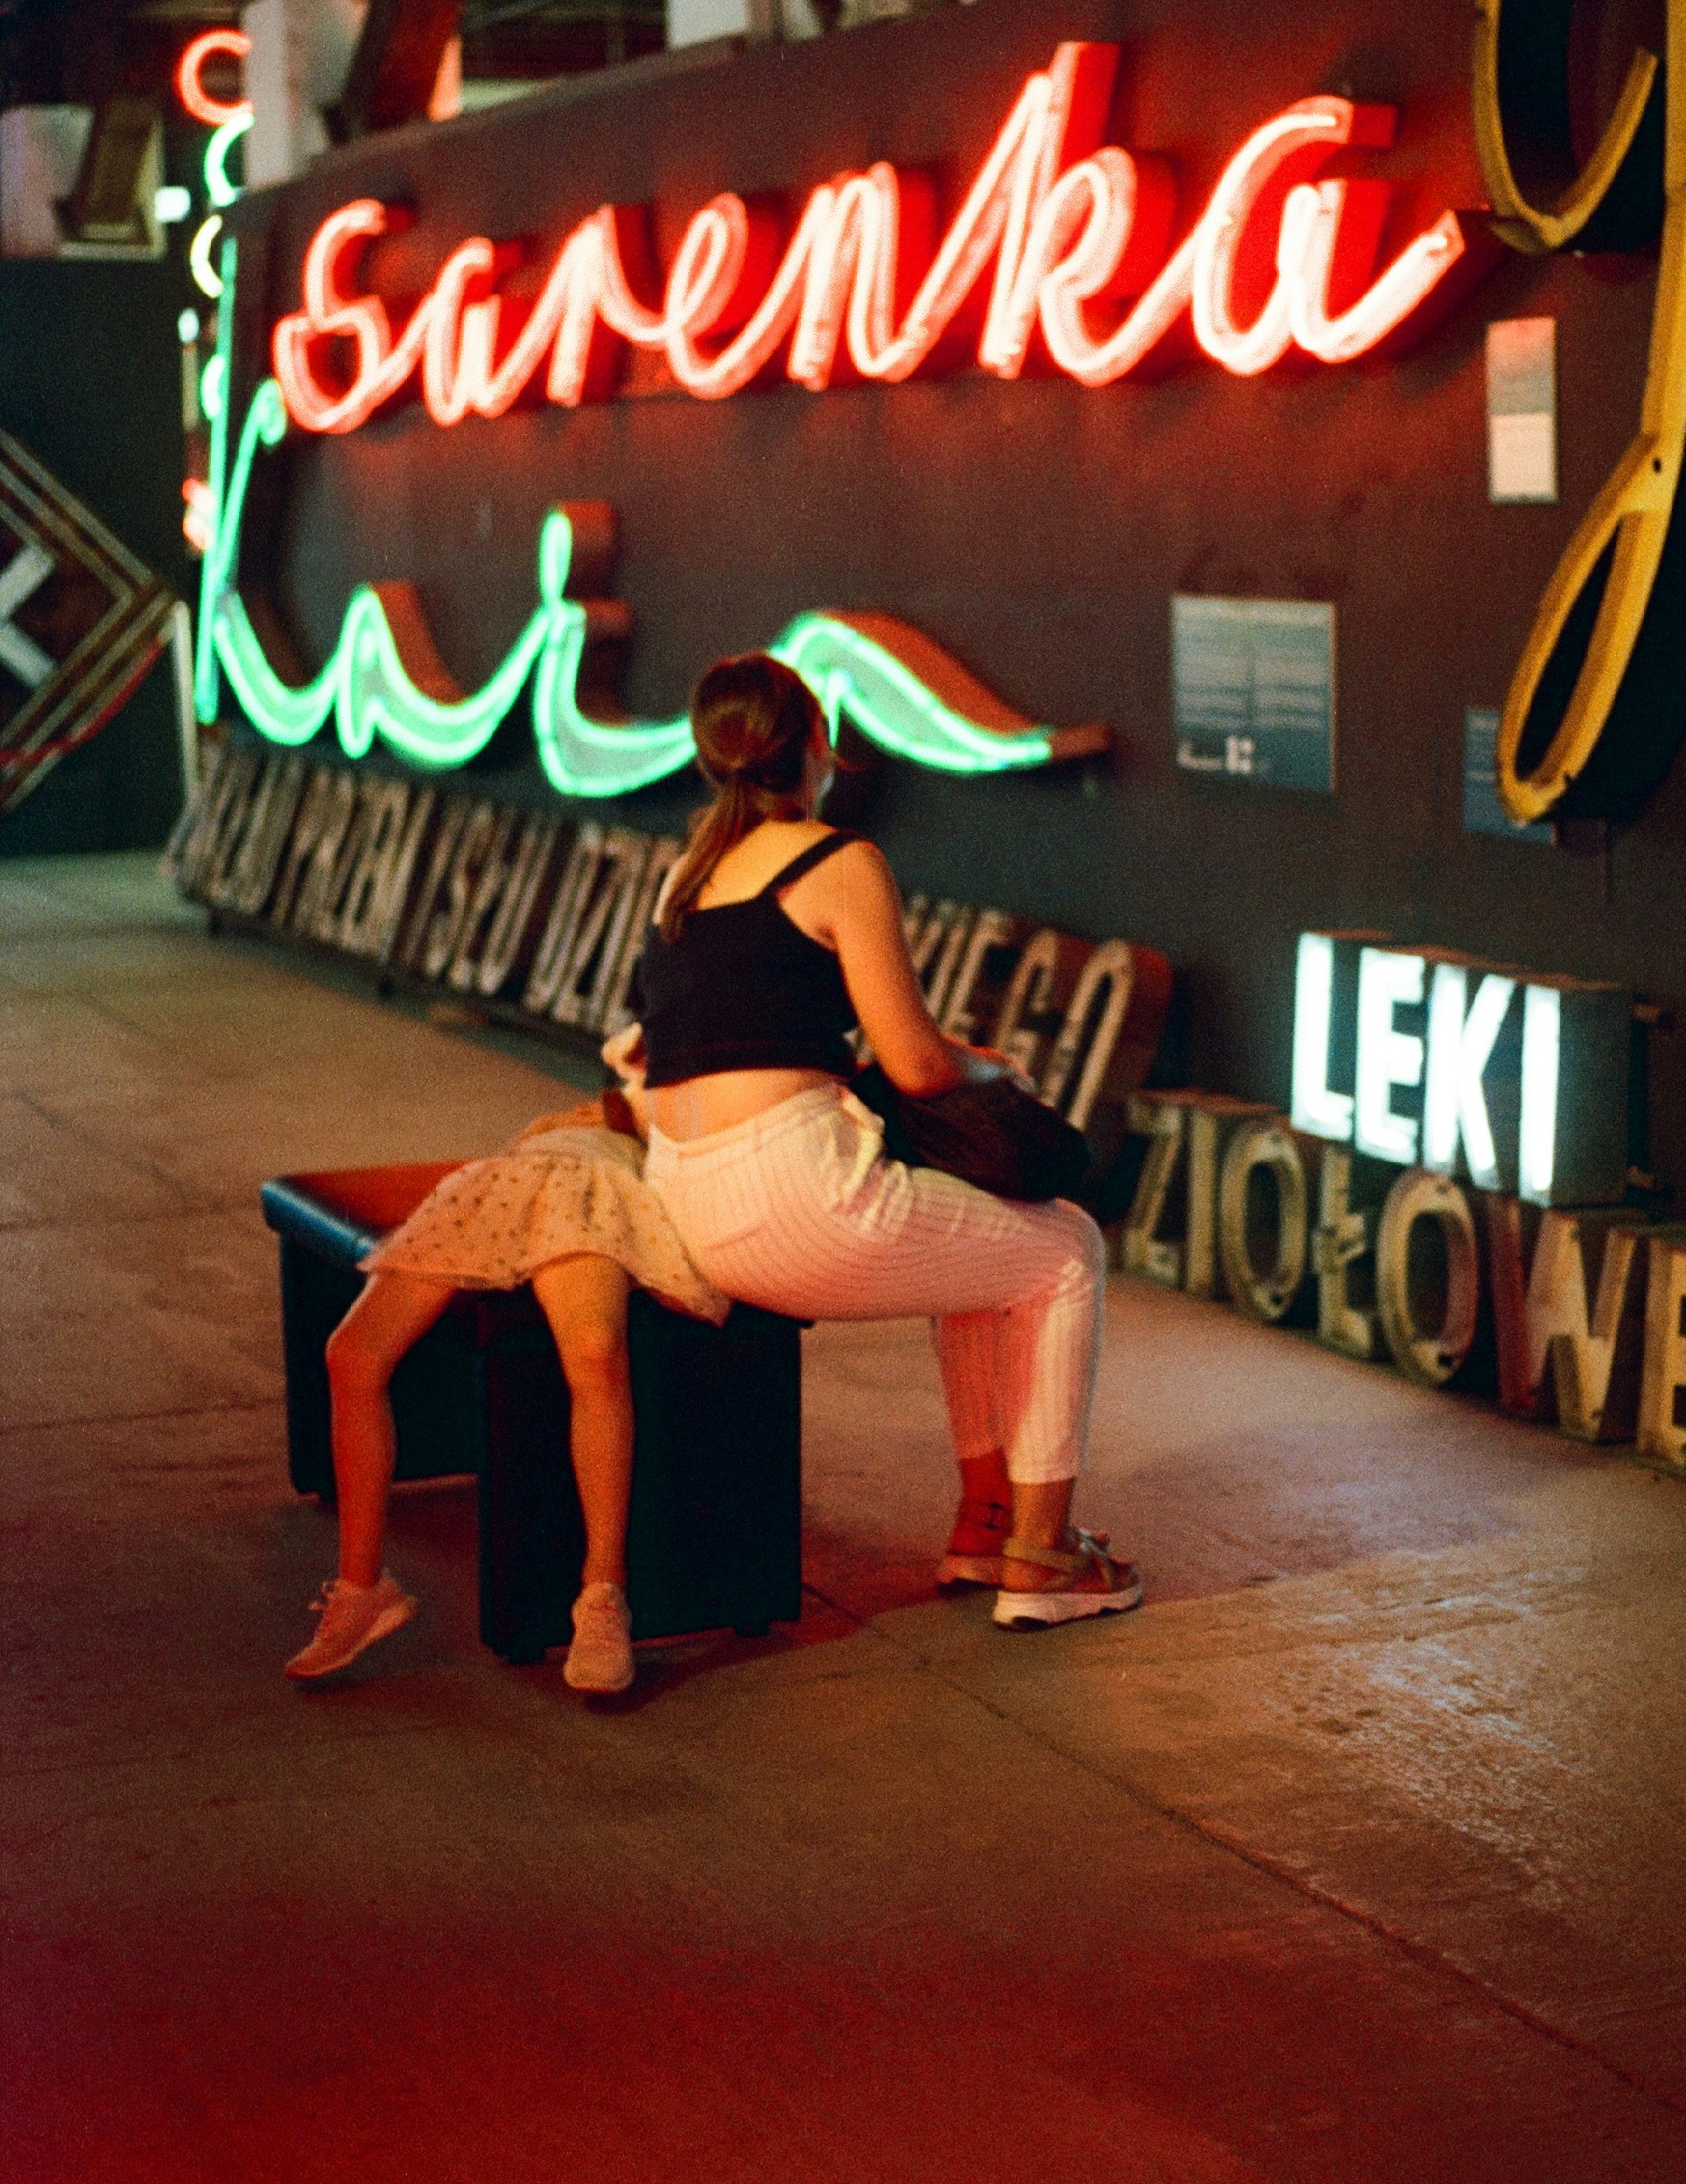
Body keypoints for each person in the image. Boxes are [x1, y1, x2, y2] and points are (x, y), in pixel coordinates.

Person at [618, 650, 1138, 1630]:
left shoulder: (683, 877)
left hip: (684, 1199)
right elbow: (918, 1065)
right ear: (817, 745)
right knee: (1065, 1247)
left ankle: (986, 1526)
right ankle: (1043, 1559)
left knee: (986, 1253)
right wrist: (1000, 1067)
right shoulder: (836, 860)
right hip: (794, 1196)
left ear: (708, 757)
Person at [283, 1099, 723, 1693]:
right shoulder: (636, 1058)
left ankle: (602, 1594)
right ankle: (363, 1590)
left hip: (594, 1188)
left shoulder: (710, 1072)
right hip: (504, 1181)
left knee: (594, 1349)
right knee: (352, 1353)